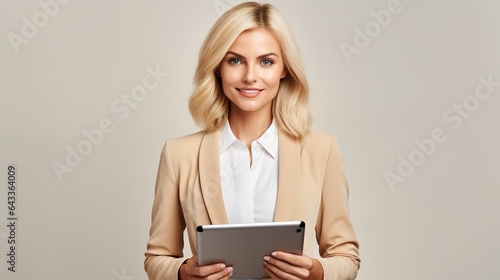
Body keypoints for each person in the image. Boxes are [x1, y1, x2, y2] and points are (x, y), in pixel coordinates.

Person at [144, 2, 360, 279]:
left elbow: (346, 257)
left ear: (284, 69)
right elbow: (157, 258)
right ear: (218, 66)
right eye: (235, 60)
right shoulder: (179, 154)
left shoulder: (321, 150)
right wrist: (181, 272)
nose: (250, 77)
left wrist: (318, 272)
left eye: (266, 61)